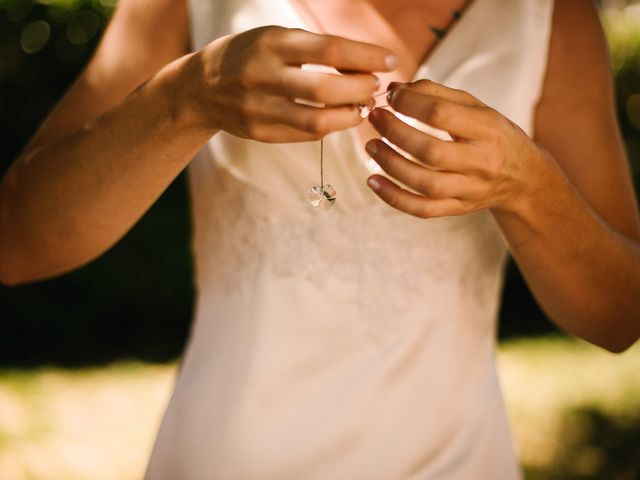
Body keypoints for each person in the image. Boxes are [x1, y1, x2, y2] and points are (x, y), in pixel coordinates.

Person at [1, 0, 639, 477]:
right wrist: (186, 97)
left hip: (454, 461)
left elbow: (621, 316)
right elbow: (16, 243)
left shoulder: (550, 16)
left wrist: (528, 186)